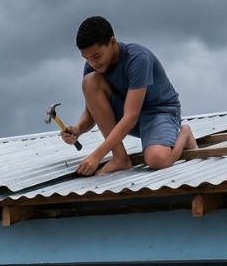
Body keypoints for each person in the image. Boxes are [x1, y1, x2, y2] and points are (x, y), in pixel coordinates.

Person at [61, 15, 197, 175]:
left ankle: (185, 134)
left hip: (158, 112)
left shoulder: (138, 59)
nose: (93, 63)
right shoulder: (92, 67)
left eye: (96, 56)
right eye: (87, 58)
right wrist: (78, 129)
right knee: (90, 81)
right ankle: (120, 158)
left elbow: (131, 116)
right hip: (128, 115)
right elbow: (91, 114)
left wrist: (97, 156)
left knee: (157, 159)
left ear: (112, 43)